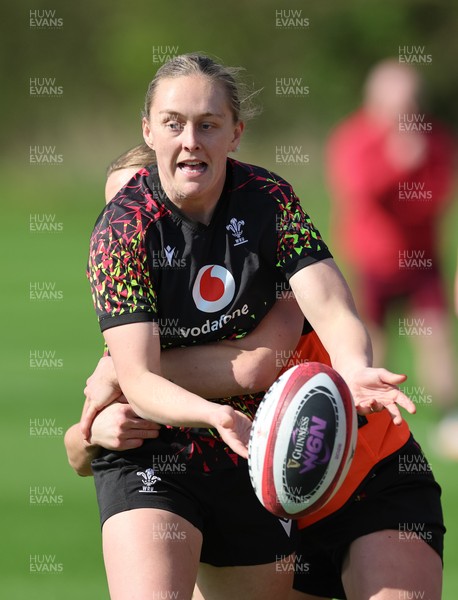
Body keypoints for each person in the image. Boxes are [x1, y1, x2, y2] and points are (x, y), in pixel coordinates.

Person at [66, 53, 443, 600]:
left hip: (305, 460)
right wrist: (107, 419)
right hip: (225, 454)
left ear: (235, 133)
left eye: (207, 124)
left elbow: (284, 343)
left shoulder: (266, 204)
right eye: (173, 124)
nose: (190, 139)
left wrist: (355, 366)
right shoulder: (122, 234)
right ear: (149, 132)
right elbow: (106, 417)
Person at [326, 59, 457, 460]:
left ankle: (449, 417)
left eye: (412, 103)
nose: (406, 113)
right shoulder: (356, 137)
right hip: (373, 260)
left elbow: (439, 195)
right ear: (375, 101)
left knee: (435, 339)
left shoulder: (433, 139)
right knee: (369, 344)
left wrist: (415, 171)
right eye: (397, 103)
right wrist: (398, 166)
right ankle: (366, 419)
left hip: (421, 261)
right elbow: (358, 190)